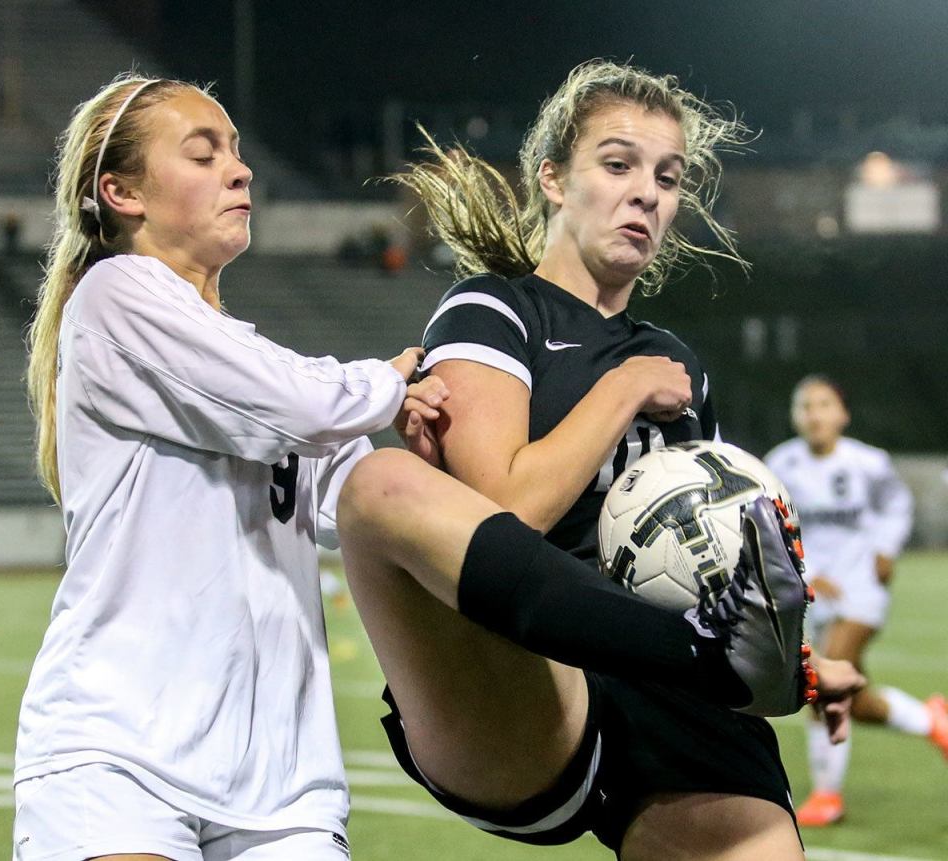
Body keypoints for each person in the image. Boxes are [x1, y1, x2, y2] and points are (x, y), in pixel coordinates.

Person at [336, 60, 865, 860]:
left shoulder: (678, 362)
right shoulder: (493, 309)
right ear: (552, 178)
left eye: (668, 176)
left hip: (670, 688)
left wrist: (798, 658)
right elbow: (508, 513)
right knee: (377, 482)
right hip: (526, 686)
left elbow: (706, 558)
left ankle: (714, 664)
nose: (647, 192)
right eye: (618, 164)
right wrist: (620, 389)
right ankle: (706, 658)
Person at [15, 74, 443, 861]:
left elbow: (355, 501)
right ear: (121, 192)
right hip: (122, 754)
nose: (240, 171)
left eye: (238, 154)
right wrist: (390, 382)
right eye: (204, 154)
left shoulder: (250, 359)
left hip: (281, 776)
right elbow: (305, 401)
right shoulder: (115, 297)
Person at [766, 374, 948, 827]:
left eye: (824, 404)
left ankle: (828, 796)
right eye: (805, 405)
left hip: (861, 588)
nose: (814, 414)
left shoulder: (869, 462)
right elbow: (767, 528)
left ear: (842, 414)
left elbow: (897, 506)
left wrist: (886, 549)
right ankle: (931, 720)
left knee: (822, 681)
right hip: (809, 593)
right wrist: (805, 571)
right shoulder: (779, 463)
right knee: (854, 694)